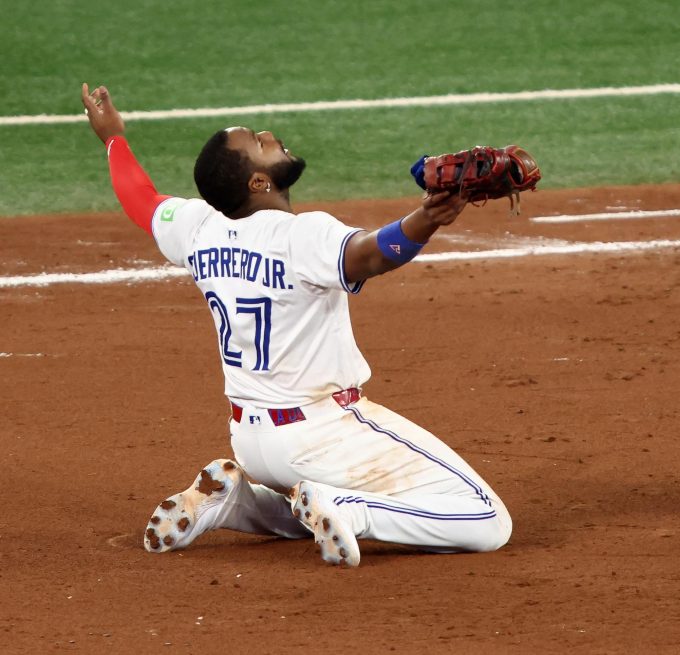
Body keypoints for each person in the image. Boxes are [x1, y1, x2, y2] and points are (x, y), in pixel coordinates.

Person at [81, 83, 512, 566]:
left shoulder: (196, 227)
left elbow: (139, 197)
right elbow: (370, 255)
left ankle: (238, 503)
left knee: (305, 498)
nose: (270, 135)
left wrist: (113, 139)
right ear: (259, 184)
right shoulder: (302, 236)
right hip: (323, 432)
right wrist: (428, 217)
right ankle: (349, 509)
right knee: (486, 520)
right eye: (259, 144)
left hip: (251, 441)